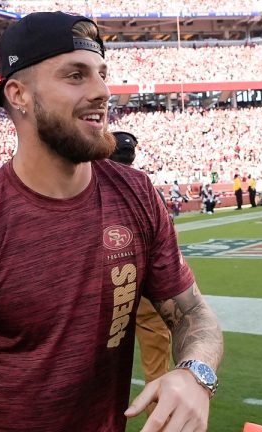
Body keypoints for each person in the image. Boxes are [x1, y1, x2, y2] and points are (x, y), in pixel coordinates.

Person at [0, 12, 223, 432]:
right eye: (76, 75)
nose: (102, 91)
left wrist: (196, 372)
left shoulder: (136, 193)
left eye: (102, 74)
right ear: (19, 95)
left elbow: (192, 311)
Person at [109, 131, 172, 410]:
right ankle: (160, 423)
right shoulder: (147, 189)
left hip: (104, 285)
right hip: (146, 284)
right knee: (156, 368)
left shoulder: (90, 188)